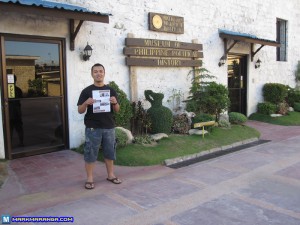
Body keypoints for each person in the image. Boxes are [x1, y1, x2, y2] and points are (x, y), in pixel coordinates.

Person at [77, 63, 122, 190]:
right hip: (93, 127)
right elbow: (80, 110)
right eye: (95, 71)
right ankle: (90, 179)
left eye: (101, 71)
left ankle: (111, 175)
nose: (98, 73)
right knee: (90, 152)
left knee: (110, 151)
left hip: (109, 126)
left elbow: (117, 110)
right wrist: (86, 103)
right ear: (92, 74)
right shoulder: (86, 91)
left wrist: (115, 102)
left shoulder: (111, 91)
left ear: (104, 73)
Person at [9, 75, 24, 147]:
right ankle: (21, 142)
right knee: (18, 128)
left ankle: (10, 144)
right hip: (16, 112)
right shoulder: (18, 89)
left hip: (11, 113)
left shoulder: (6, 90)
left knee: (10, 129)